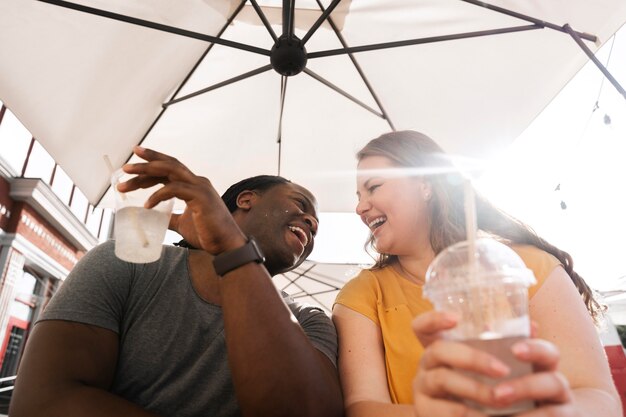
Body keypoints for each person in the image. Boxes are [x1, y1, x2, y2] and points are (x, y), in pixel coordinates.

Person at [10, 147, 343, 417]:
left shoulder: (312, 322)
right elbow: (43, 404)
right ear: (246, 199)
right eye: (300, 204)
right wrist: (235, 249)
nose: (311, 222)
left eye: (315, 227)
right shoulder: (124, 264)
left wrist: (235, 250)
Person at [333, 130, 620, 416]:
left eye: (374, 187)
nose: (360, 207)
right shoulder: (363, 294)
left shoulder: (527, 263)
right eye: (359, 195)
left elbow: (598, 397)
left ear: (425, 185)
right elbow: (362, 408)